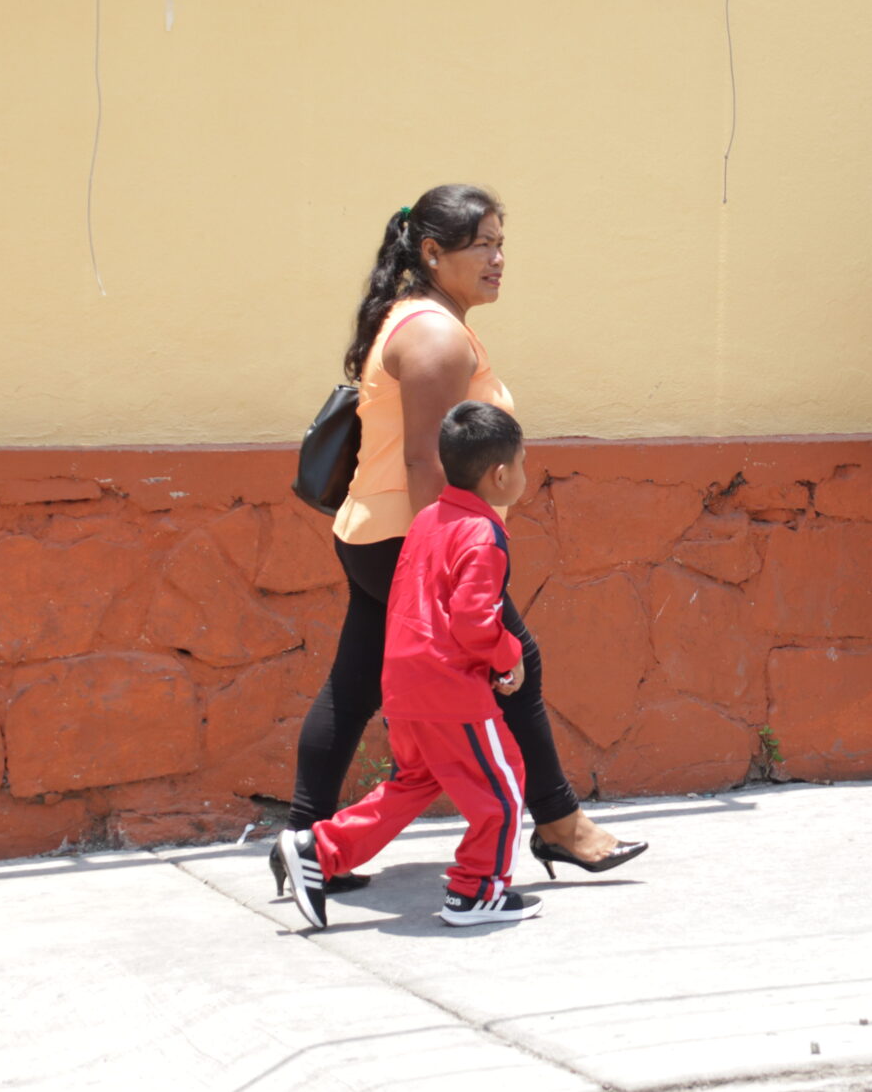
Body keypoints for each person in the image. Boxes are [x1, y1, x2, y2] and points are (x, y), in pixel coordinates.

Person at [275, 184, 642, 899]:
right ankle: (561, 824)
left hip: (379, 532)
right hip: (409, 538)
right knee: (513, 660)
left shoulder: (423, 319)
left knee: (353, 686)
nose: (500, 258)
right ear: (433, 251)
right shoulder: (437, 335)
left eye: (503, 242)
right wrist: (440, 567)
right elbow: (426, 459)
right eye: (484, 244)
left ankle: (309, 843)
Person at [280, 400, 540, 929]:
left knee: (413, 783)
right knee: (503, 789)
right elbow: (473, 619)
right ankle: (476, 892)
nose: (524, 475)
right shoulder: (484, 536)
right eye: (523, 463)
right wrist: (508, 657)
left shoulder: (426, 521)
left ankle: (319, 848)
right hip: (452, 691)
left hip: (404, 685)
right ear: (500, 473)